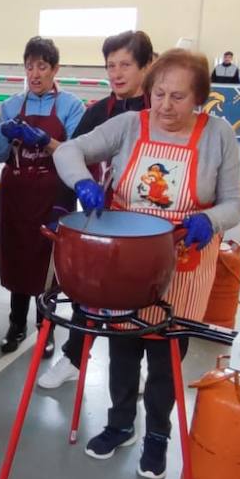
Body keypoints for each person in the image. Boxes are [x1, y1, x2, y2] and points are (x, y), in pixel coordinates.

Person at [53, 48, 240, 479]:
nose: (165, 107)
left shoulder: (218, 136)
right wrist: (83, 181)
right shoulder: (128, 125)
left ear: (199, 99)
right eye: (159, 94)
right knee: (122, 346)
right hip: (126, 260)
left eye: (178, 97)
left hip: (184, 260)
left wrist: (210, 220)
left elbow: (235, 203)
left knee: (164, 357)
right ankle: (120, 424)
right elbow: (68, 151)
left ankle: (158, 434)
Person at [36, 30, 155, 390]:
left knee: (138, 304)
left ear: (147, 66)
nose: (116, 73)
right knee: (89, 293)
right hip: (97, 217)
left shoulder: (156, 112)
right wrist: (63, 202)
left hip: (144, 225)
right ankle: (74, 357)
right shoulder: (97, 112)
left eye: (125, 65)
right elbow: (68, 155)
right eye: (110, 66)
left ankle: (135, 377)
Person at [0, 37, 85, 356]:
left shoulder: (72, 106)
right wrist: (0, 134)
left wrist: (45, 141)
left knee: (46, 262)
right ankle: (15, 324)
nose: (35, 74)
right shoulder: (11, 106)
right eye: (29, 66)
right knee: (16, 256)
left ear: (55, 69)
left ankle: (47, 327)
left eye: (42, 66)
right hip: (16, 191)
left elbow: (78, 153)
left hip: (54, 192)